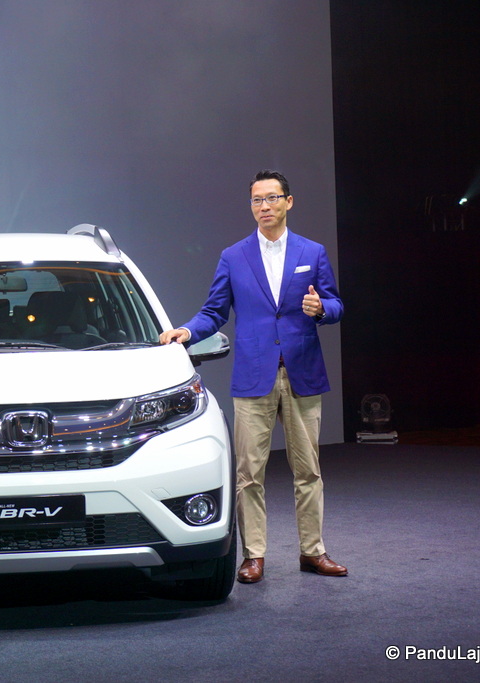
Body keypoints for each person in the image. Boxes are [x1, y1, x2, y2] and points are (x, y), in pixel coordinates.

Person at [159, 169, 346, 584]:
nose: (265, 206)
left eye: (272, 198)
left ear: (288, 202)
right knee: (249, 474)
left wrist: (322, 309)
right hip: (253, 376)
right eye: (257, 200)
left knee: (308, 471)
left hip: (302, 373)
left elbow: (335, 304)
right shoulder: (234, 256)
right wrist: (186, 332)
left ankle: (313, 551)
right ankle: (254, 555)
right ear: (252, 206)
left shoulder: (312, 252)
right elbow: (214, 311)